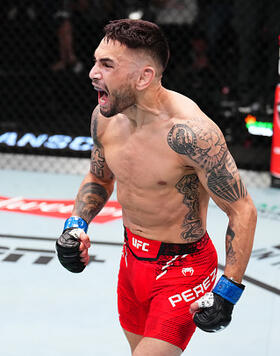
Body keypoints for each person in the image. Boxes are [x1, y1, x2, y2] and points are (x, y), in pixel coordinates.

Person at [56, 19, 257, 355]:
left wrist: (228, 291)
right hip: (131, 262)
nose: (92, 73)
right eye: (95, 61)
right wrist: (76, 225)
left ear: (144, 77)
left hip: (184, 270)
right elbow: (99, 176)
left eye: (106, 65)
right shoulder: (104, 118)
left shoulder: (192, 135)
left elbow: (242, 209)